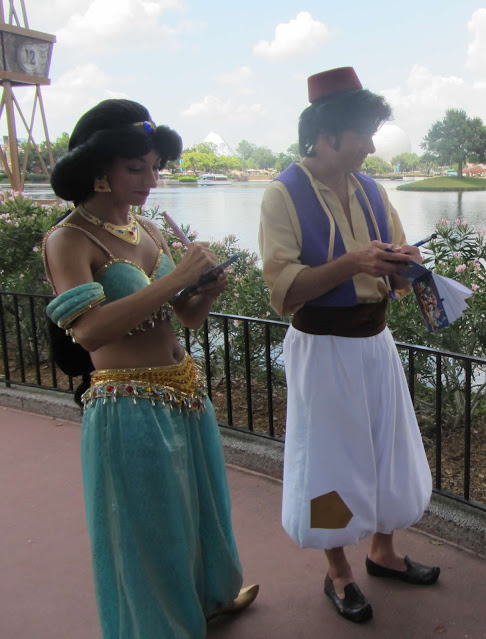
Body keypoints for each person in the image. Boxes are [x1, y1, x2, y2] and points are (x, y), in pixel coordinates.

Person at [42, 98, 258, 639]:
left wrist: (204, 290)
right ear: (100, 169)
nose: (150, 179)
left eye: (155, 166)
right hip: (128, 405)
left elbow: (184, 316)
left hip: (184, 393)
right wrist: (173, 278)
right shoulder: (68, 239)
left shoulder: (147, 230)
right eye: (136, 167)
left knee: (201, 511)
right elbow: (89, 332)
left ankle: (208, 598)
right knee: (151, 530)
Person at [258, 67, 439, 624]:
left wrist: (409, 271)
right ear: (328, 134)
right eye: (363, 133)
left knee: (387, 449)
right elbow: (283, 291)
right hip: (323, 347)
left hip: (375, 341)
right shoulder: (281, 195)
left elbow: (394, 263)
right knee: (329, 464)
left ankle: (383, 551)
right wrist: (351, 263)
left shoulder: (372, 190)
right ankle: (338, 569)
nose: (370, 145)